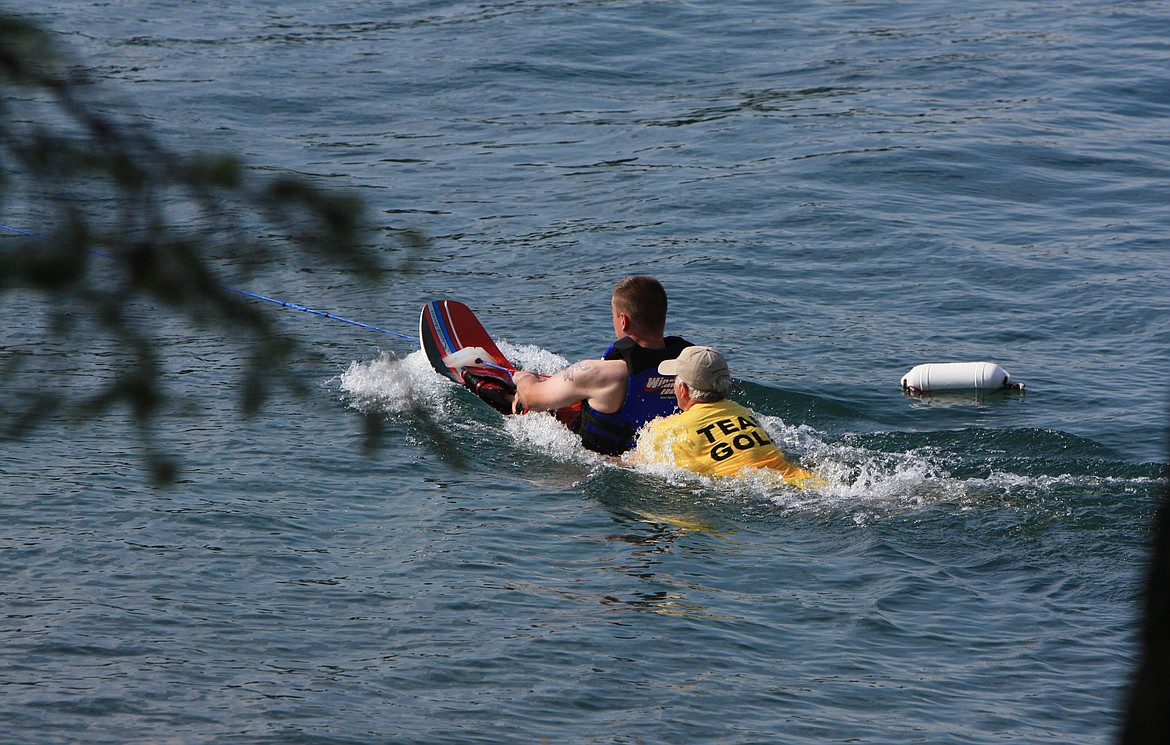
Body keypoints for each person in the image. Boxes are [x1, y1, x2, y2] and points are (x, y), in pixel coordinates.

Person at [511, 275, 693, 455]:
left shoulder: (600, 373)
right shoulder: (697, 371)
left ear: (623, 320)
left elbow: (530, 397)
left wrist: (525, 377)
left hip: (604, 465)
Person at [629, 345, 815, 485]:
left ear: (683, 389)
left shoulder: (667, 429)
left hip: (757, 497)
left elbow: (633, 465)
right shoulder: (743, 413)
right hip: (807, 483)